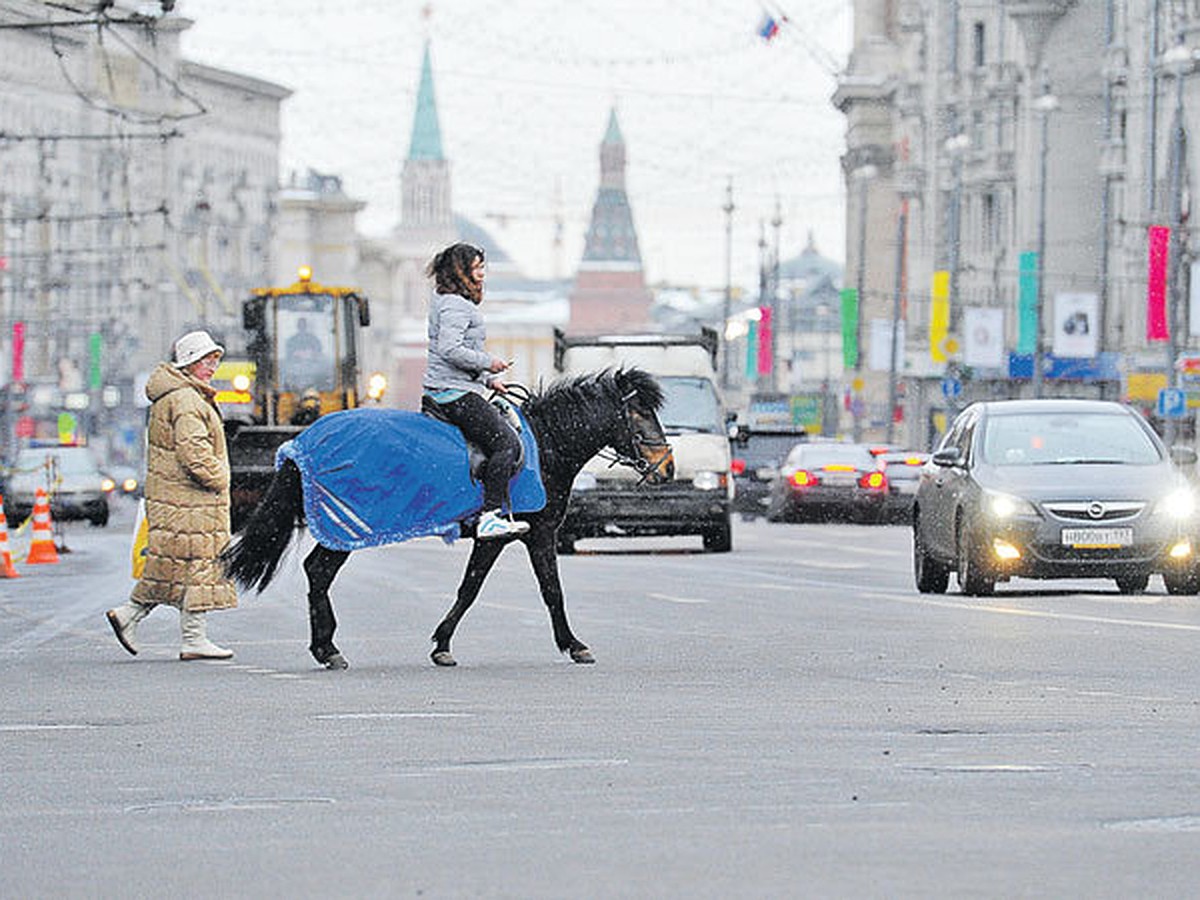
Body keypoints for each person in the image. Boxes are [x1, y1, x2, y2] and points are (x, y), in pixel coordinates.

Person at [105, 329, 238, 660]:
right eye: (205, 360)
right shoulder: (186, 399)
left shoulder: (180, 395)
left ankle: (131, 615)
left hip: (179, 499)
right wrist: (221, 477)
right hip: (190, 499)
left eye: (214, 359)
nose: (212, 366)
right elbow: (193, 452)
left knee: (176, 566)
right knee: (200, 564)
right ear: (189, 363)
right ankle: (192, 638)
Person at [422, 242, 528, 540]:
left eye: (483, 267)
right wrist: (489, 363)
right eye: (477, 268)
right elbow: (450, 349)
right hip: (453, 394)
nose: (482, 274)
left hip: (454, 387)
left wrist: (486, 379)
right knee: (506, 444)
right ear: (461, 271)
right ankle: (491, 516)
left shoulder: (446, 300)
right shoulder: (456, 303)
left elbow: (458, 351)